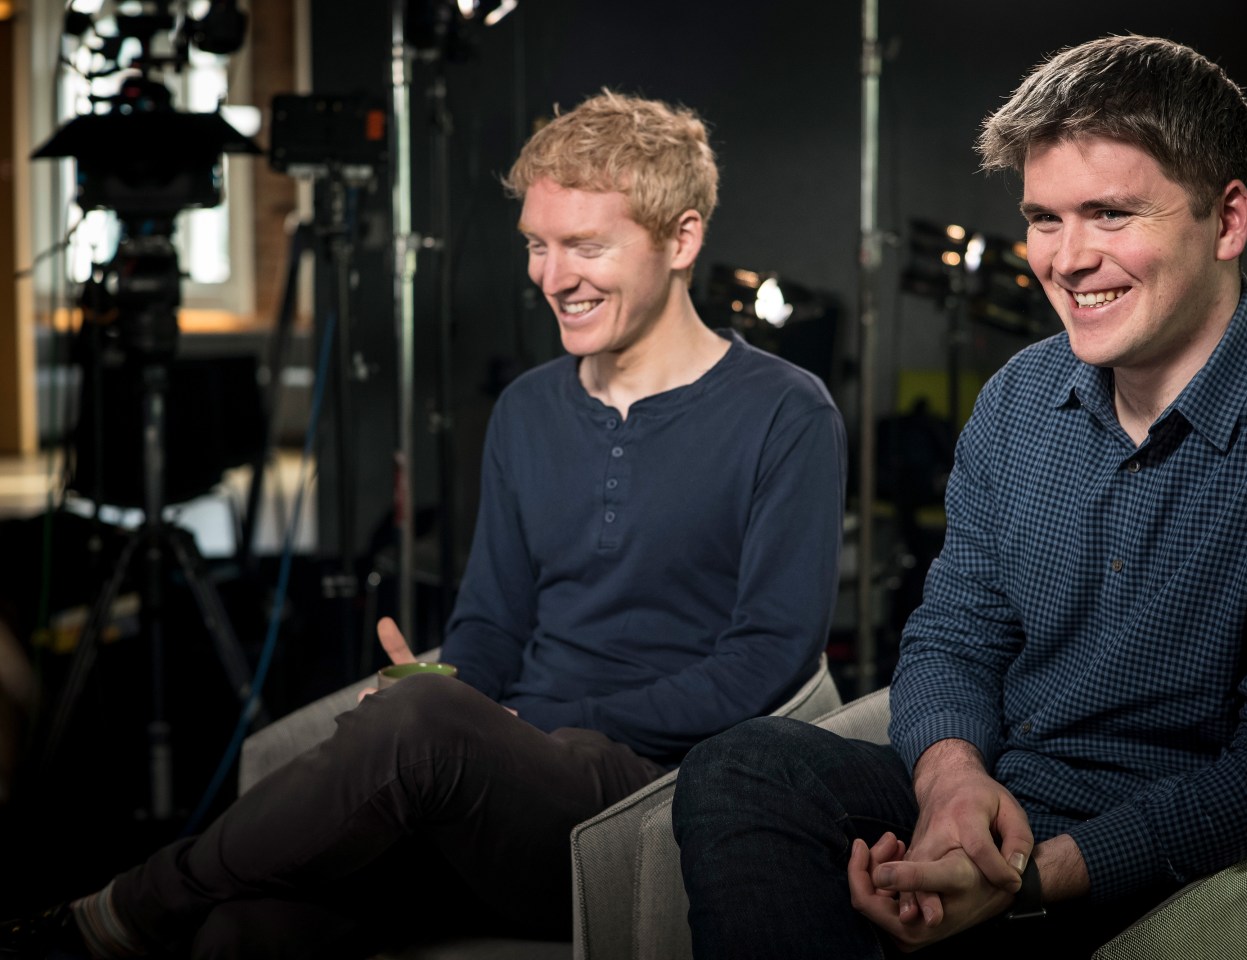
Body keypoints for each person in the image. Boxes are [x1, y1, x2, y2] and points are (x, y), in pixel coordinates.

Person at [2, 89, 846, 958]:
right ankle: (174, 904)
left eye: (586, 247)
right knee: (244, 931)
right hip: (498, 771)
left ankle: (121, 911)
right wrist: (445, 689)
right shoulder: (527, 411)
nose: (552, 279)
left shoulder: (786, 414)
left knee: (425, 724)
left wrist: (501, 722)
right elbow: (490, 624)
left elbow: (764, 662)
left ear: (682, 240)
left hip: (641, 789)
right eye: (537, 245)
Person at [672, 34, 1247, 959]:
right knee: (743, 767)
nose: (1066, 260)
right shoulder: (1019, 396)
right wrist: (952, 785)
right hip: (1006, 789)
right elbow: (956, 633)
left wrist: (1031, 883)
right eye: (1045, 218)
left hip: (1172, 858)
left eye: (1110, 215)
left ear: (1227, 220)